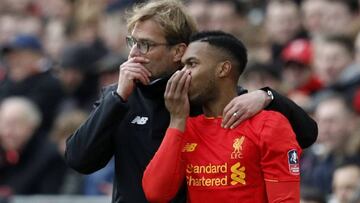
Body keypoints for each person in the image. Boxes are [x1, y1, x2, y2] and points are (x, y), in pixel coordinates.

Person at [65, 1, 317, 202]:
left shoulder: (205, 95)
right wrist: (117, 98)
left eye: (146, 45)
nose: (133, 53)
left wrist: (268, 96)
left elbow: (305, 135)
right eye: (132, 42)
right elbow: (79, 160)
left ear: (178, 51)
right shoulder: (120, 96)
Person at [142, 31, 302, 203]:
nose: (181, 75)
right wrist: (177, 120)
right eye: (182, 67)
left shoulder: (269, 125)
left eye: (192, 64)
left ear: (223, 69)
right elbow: (155, 193)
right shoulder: (185, 127)